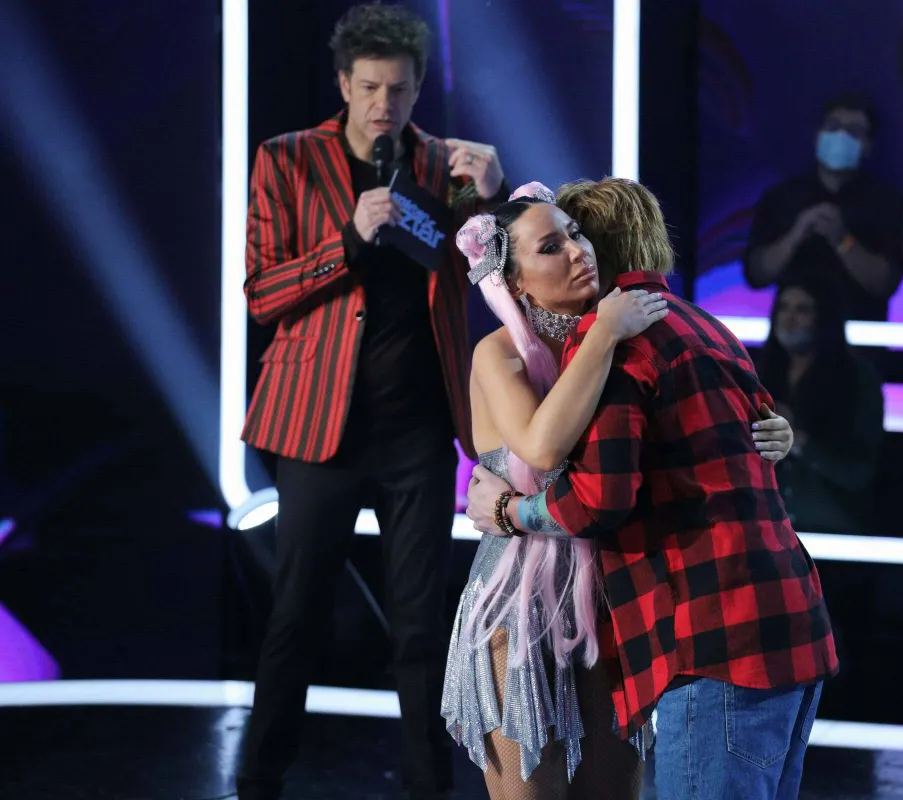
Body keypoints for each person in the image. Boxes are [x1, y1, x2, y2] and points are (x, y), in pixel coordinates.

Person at [467, 178, 838, 800]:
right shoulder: (518, 349)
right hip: (526, 598)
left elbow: (611, 490)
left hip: (623, 603)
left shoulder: (624, 335)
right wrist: (604, 335)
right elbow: (542, 448)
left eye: (578, 234)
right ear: (514, 281)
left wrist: (774, 433)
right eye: (552, 246)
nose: (577, 251)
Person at [235, 5, 509, 799]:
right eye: (368, 88)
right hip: (317, 428)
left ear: (418, 88)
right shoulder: (287, 159)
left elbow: (496, 273)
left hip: (416, 430)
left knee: (422, 624)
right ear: (342, 84)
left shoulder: (448, 167)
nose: (383, 104)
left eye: (398, 89)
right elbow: (262, 295)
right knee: (296, 615)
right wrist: (348, 240)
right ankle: (258, 780)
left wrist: (493, 201)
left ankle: (429, 786)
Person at [743, 94, 903, 323]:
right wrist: (795, 235)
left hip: (859, 332)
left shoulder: (887, 202)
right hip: (792, 330)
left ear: (868, 146)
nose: (841, 136)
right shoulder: (781, 197)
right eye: (833, 126)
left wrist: (843, 240)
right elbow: (756, 276)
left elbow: (885, 285)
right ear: (818, 135)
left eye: (854, 131)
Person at [758, 272, 884, 534]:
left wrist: (798, 440)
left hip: (833, 529)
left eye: (802, 310)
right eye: (783, 308)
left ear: (824, 318)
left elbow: (860, 470)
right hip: (767, 529)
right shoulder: (759, 374)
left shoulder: (857, 379)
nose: (789, 319)